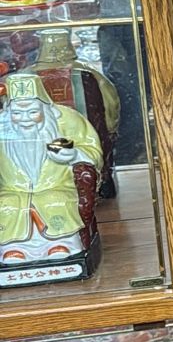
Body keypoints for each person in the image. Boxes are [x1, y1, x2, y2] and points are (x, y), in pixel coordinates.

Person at [0, 72, 101, 281]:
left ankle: (61, 245)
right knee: (6, 206)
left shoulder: (67, 119)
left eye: (32, 112)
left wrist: (73, 155)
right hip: (13, 188)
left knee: (56, 201)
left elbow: (92, 149)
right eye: (17, 113)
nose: (24, 119)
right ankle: (13, 249)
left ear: (44, 108)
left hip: (58, 185)